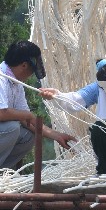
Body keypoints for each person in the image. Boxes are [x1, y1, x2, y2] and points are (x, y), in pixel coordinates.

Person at [0, 41, 75, 169]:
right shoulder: (1, 78)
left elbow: (27, 120)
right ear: (24, 65)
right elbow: (2, 113)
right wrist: (26, 114)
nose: (30, 76)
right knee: (13, 128)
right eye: (31, 71)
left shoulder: (16, 82)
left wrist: (56, 135)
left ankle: (3, 171)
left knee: (29, 136)